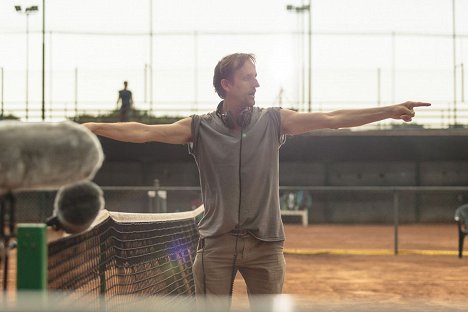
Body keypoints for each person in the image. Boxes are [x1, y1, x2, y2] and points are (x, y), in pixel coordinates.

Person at [83, 53, 430, 304]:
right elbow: (143, 131)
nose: (257, 83)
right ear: (227, 84)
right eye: (249, 77)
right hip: (215, 246)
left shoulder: (274, 120)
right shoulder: (199, 128)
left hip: (266, 246)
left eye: (256, 76)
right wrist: (94, 128)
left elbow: (331, 118)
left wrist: (389, 109)